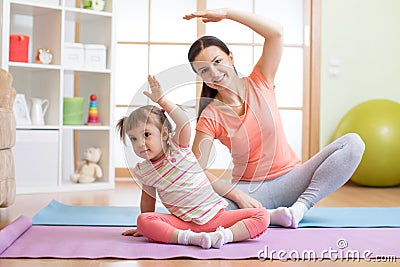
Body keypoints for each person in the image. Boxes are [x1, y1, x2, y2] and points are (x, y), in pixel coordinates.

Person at [184, 8, 365, 228]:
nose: (213, 73)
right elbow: (195, 170)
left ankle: (299, 209)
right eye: (203, 70)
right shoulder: (210, 115)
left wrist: (227, 13)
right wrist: (238, 196)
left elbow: (276, 33)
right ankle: (268, 215)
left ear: (230, 57)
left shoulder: (260, 80)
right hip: (247, 193)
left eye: (217, 61)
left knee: (353, 143)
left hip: (290, 181)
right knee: (195, 206)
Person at [117, 75, 269, 249]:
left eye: (146, 135)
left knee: (262, 216)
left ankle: (224, 236)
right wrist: (144, 227)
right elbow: (147, 201)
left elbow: (183, 122)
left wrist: (162, 100)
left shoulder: (178, 147)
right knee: (144, 220)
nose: (140, 143)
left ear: (165, 134)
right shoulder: (145, 170)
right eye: (133, 139)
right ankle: (190, 239)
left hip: (217, 218)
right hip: (183, 225)